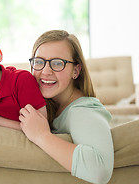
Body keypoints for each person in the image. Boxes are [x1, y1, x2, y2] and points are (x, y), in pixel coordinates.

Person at [19, 30, 114, 184]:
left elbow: (100, 171)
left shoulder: (83, 111)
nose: (45, 71)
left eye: (57, 63)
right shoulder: (49, 105)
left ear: (75, 71)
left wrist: (41, 135)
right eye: (39, 62)